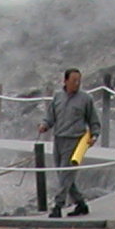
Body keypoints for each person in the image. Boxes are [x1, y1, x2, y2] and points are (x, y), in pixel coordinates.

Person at [39, 68, 99, 217]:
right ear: (65, 81)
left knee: (66, 173)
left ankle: (58, 206)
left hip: (76, 141)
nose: (77, 84)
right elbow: (50, 116)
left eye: (79, 81)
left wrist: (94, 135)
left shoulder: (86, 99)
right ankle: (81, 204)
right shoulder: (57, 97)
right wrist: (45, 125)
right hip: (59, 139)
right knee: (63, 174)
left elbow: (94, 121)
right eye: (73, 81)